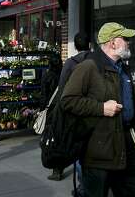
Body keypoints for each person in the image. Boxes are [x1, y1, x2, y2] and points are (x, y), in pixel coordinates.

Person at [61, 22, 135, 197]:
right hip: (98, 153)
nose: (129, 42)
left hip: (126, 150)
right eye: (125, 39)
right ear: (113, 43)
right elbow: (68, 101)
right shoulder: (89, 66)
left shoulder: (124, 69)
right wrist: (101, 108)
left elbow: (132, 105)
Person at [58, 32, 91, 195]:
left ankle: (84, 187)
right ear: (90, 45)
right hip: (95, 110)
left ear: (76, 46)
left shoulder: (71, 63)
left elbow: (62, 88)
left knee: (79, 150)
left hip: (76, 113)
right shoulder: (97, 61)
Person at [41, 54, 64, 181]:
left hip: (50, 111)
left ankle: (55, 167)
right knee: (59, 138)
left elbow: (44, 96)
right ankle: (58, 167)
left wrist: (41, 111)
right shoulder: (64, 75)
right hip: (62, 110)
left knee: (50, 139)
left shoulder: (47, 76)